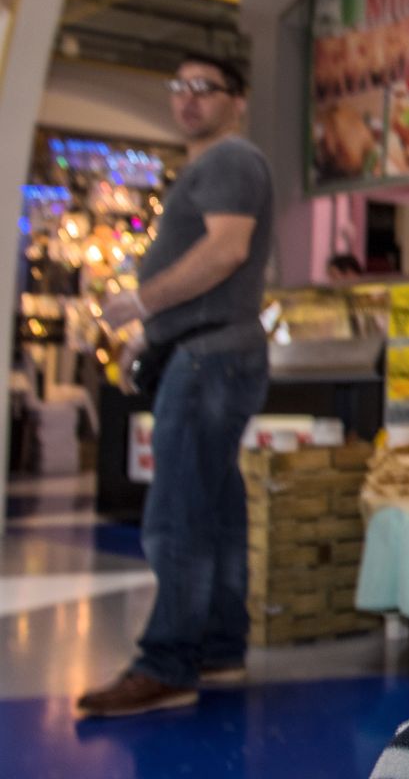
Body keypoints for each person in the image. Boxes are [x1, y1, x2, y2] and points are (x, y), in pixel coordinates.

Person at [80, 53, 273, 717]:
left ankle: (168, 663)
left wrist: (144, 302)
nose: (188, 99)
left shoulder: (230, 160)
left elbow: (227, 250)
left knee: (178, 515)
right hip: (206, 351)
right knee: (214, 507)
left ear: (237, 99)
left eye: (205, 88)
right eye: (179, 87)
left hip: (209, 357)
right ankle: (218, 648)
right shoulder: (213, 165)